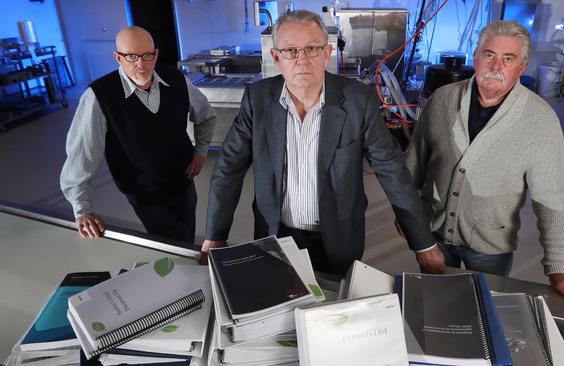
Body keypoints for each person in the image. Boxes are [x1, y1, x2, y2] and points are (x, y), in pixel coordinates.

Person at [199, 10, 444, 276]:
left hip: (338, 238)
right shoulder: (257, 100)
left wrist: (423, 243)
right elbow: (229, 168)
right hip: (275, 235)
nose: (301, 59)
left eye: (312, 49)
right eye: (291, 50)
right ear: (276, 57)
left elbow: (391, 169)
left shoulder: (357, 100)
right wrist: (215, 234)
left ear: (326, 53)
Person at [406, 20, 564, 307]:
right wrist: (408, 217)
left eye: (507, 59)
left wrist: (558, 266)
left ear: (521, 67)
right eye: (489, 55)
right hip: (433, 233)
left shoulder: (541, 120)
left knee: (482, 313)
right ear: (476, 57)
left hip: (490, 247)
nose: (496, 66)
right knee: (433, 308)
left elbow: (552, 198)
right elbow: (414, 163)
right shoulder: (442, 100)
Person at [60, 26, 217, 243]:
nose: (141, 64)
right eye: (131, 56)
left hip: (184, 180)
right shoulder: (99, 96)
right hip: (146, 194)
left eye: (147, 55)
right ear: (117, 57)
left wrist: (200, 153)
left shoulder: (177, 79)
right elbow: (81, 156)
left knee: (186, 234)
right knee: (171, 243)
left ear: (156, 54)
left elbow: (207, 117)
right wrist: (82, 209)